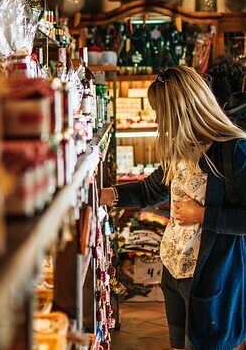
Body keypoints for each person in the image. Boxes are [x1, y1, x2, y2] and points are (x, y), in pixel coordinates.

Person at [100, 65, 246, 350]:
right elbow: (149, 189)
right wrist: (105, 195)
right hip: (173, 269)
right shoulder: (181, 147)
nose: (157, 121)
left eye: (161, 113)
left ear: (180, 111)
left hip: (210, 278)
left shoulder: (233, 151)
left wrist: (203, 215)